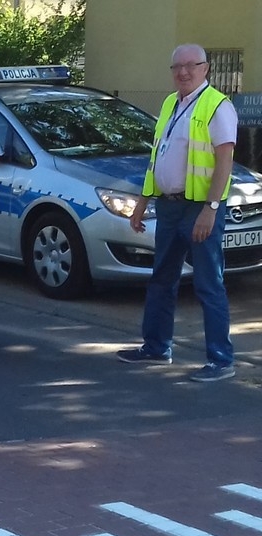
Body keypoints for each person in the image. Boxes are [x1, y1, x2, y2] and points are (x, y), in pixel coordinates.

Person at [117, 43, 237, 382]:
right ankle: (156, 347)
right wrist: (143, 201)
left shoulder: (218, 106)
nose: (183, 72)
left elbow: (224, 162)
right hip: (168, 207)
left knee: (208, 284)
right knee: (161, 280)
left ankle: (221, 360)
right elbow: (158, 157)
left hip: (198, 208)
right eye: (177, 67)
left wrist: (211, 208)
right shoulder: (171, 103)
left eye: (191, 66)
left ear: (206, 68)